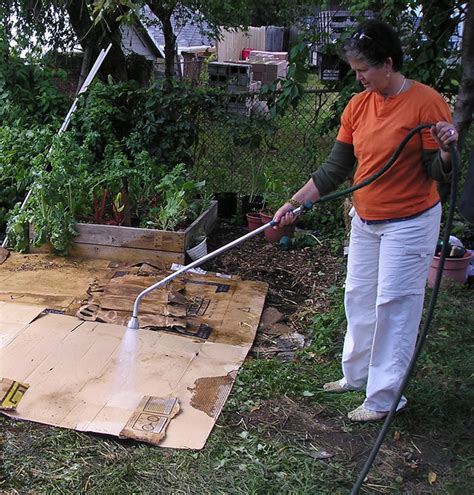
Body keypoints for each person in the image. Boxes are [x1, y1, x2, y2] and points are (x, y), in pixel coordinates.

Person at [274, 19, 458, 422]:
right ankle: (356, 376)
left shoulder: (427, 103)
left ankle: (384, 397)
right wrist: (295, 203)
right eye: (355, 70)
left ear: (388, 64)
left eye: (363, 70)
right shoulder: (358, 106)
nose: (357, 78)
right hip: (367, 218)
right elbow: (334, 168)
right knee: (358, 295)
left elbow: (438, 171)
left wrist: (446, 151)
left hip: (409, 222)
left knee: (395, 303)